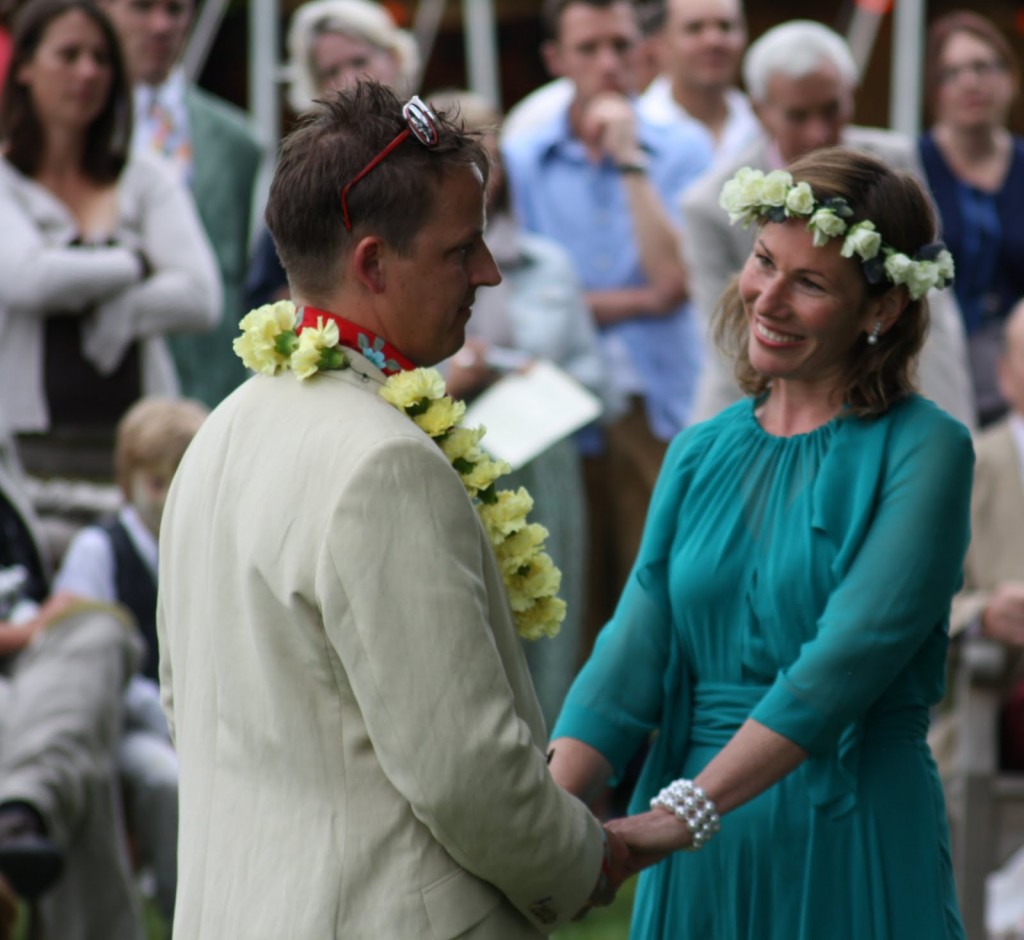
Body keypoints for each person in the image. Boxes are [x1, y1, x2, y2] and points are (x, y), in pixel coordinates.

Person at [157, 81, 633, 938]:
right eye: (462, 250)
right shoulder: (383, 462)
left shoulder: (220, 431)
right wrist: (581, 857)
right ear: (373, 263)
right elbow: (467, 772)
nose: (488, 272)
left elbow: (186, 709)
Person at [548, 147, 973, 939]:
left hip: (849, 825)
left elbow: (847, 659)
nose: (766, 300)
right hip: (696, 843)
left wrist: (682, 814)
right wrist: (547, 809)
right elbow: (634, 646)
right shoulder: (699, 450)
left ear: (879, 311)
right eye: (763, 262)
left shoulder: (926, 449)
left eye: (810, 283)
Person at [503, 0, 713, 643]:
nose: (609, 64)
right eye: (589, 49)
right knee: (567, 601)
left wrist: (628, 159)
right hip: (557, 402)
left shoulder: (682, 146)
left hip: (656, 402)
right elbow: (527, 291)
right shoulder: (524, 154)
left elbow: (674, 280)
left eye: (621, 46)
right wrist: (641, 301)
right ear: (556, 60)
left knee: (655, 606)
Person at [682, 19, 976, 431]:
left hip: (881, 401)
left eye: (831, 108)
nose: (819, 132)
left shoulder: (894, 162)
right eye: (798, 115)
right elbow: (729, 341)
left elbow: (930, 311)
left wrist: (949, 422)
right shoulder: (710, 204)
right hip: (752, 405)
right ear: (759, 111)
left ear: (850, 95)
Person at [427, 88, 607, 725]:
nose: (487, 175)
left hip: (543, 468)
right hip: (451, 464)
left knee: (550, 629)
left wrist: (545, 378)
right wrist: (458, 377)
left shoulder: (547, 262)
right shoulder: (417, 268)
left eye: (494, 159)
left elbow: (595, 375)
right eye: (470, 159)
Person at [0, 0, 219, 481]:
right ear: (25, 68)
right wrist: (134, 264)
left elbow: (202, 296)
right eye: (69, 54)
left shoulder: (145, 178)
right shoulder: (5, 181)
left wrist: (122, 310)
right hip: (23, 457)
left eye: (101, 58)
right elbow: (26, 278)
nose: (87, 72)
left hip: (138, 461)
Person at [51, 395, 207, 929]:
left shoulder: (205, 546)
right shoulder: (98, 550)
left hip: (200, 721)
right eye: (156, 483)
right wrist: (170, 719)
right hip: (120, 727)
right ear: (128, 480)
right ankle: (185, 914)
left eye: (178, 480)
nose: (166, 499)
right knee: (168, 780)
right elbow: (82, 669)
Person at [0, 404, 144, 940]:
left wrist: (163, 482)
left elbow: (42, 496)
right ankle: (22, 811)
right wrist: (32, 629)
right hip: (20, 648)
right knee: (77, 741)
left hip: (35, 650)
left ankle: (22, 815)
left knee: (104, 630)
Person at [102, 0, 264, 409]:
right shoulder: (66, 132)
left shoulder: (237, 143)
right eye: (141, 8)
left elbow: (237, 278)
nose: (160, 25)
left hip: (211, 391)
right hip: (104, 386)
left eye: (174, 10)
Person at [245, 0, 418, 311]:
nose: (348, 81)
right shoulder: (304, 170)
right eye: (331, 71)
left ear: (393, 57)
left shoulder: (433, 145)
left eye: (359, 61)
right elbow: (267, 289)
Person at [931, 298, 1024, 774]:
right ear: (1005, 374)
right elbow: (914, 605)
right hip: (990, 708)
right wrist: (982, 613)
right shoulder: (964, 469)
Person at [919, 11, 1024, 427]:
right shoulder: (913, 166)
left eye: (983, 67)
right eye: (952, 73)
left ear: (1010, 77)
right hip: (937, 368)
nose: (970, 83)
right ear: (935, 91)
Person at [638, 0, 758, 165]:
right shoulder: (637, 130)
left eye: (725, 26)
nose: (714, 41)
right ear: (662, 44)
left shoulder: (762, 124)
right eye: (695, 28)